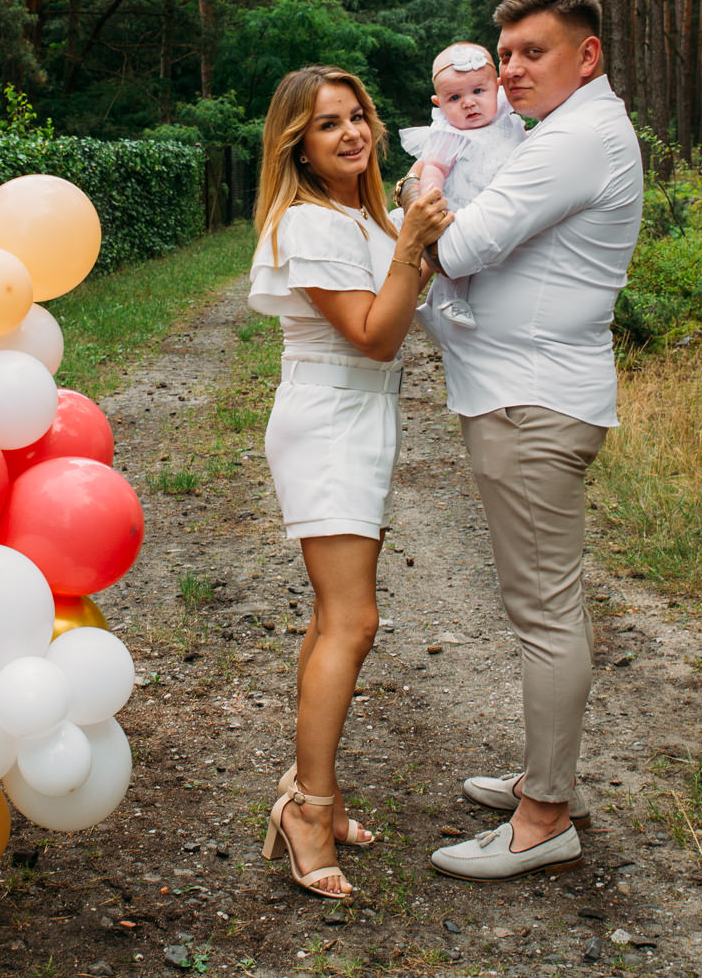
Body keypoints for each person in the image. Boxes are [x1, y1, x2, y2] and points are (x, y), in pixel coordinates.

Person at [401, 0, 643, 882]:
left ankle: (544, 817)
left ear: (587, 54)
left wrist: (419, 200)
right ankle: (545, 777)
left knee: (542, 609)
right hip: (528, 396)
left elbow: (458, 248)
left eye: (532, 52)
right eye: (503, 56)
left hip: (531, 404)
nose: (509, 71)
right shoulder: (566, 134)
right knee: (545, 602)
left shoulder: (573, 140)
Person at [247, 65, 451, 899]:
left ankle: (309, 788)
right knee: (354, 620)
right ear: (298, 146)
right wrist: (410, 246)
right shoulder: (309, 223)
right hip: (329, 419)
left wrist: (406, 229)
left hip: (360, 418)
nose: (352, 132)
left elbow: (398, 314)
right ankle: (308, 809)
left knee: (333, 616)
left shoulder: (360, 217)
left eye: (357, 114)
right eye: (327, 124)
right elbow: (374, 334)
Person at [398, 42, 529, 330]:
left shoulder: (507, 117)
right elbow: (435, 166)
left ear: (497, 87)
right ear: (439, 103)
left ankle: (438, 307)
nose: (468, 102)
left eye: (478, 91)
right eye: (455, 97)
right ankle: (449, 299)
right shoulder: (450, 133)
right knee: (455, 253)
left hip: (503, 199)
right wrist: (431, 194)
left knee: (495, 261)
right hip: (462, 201)